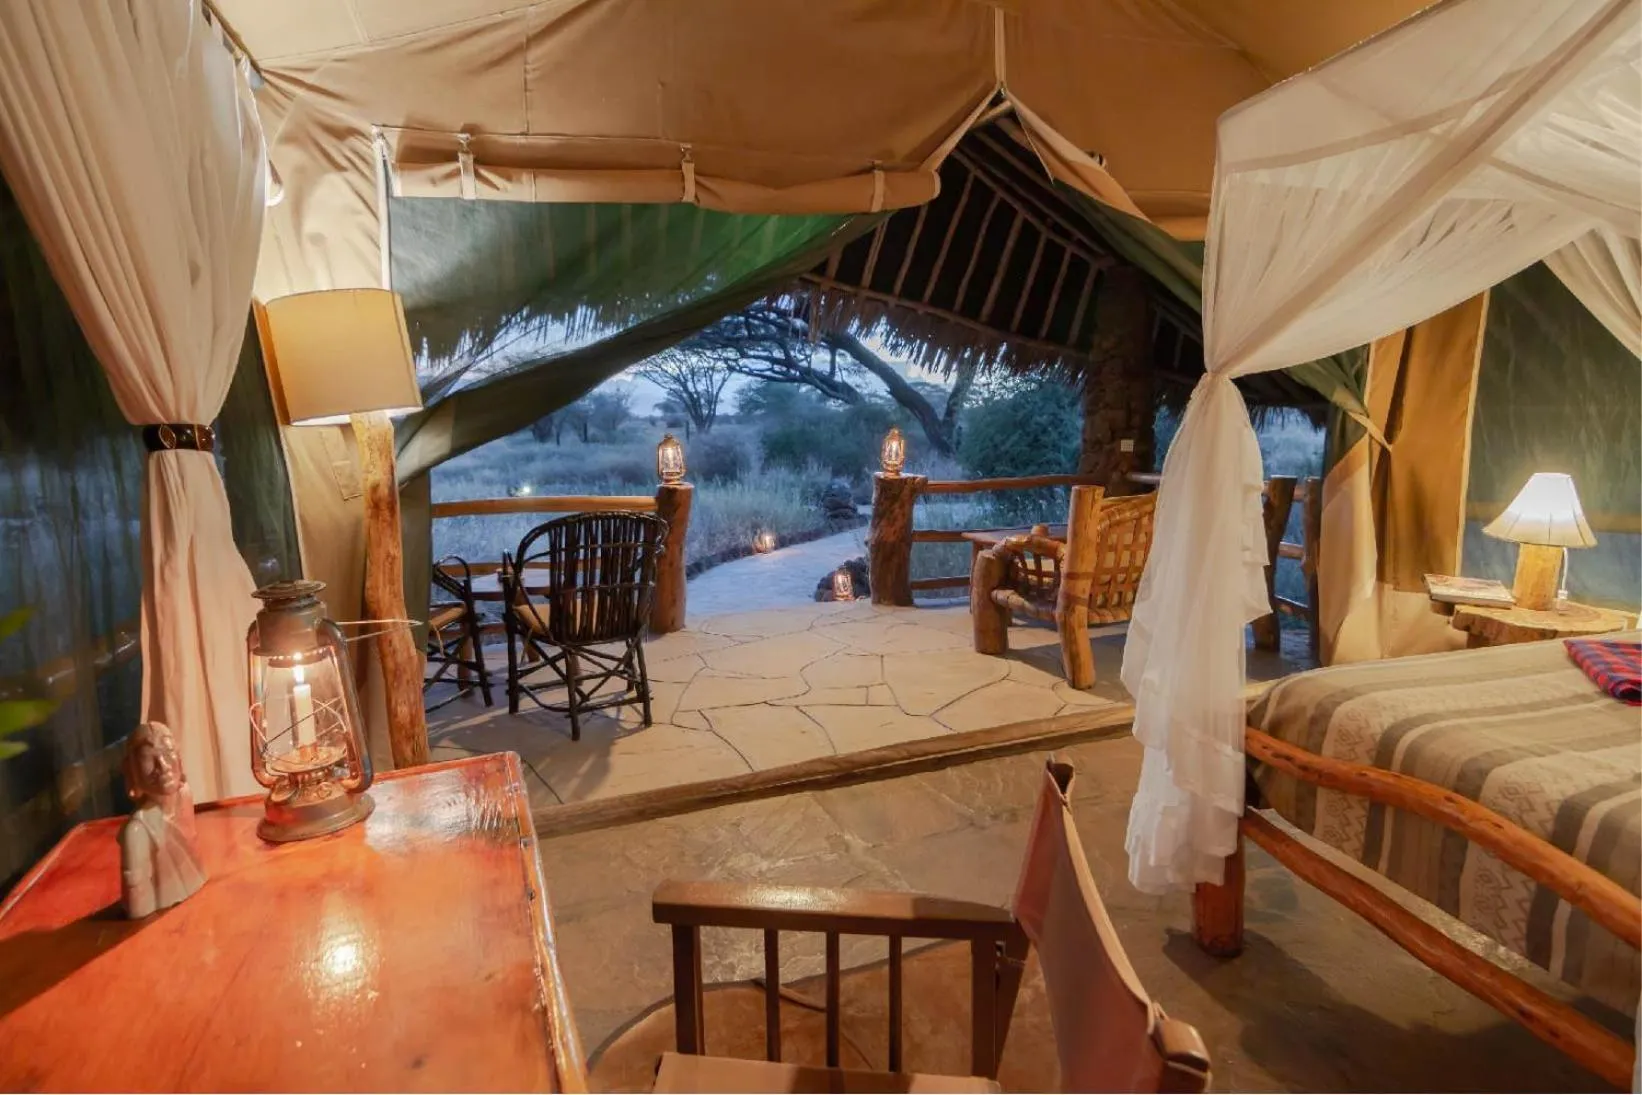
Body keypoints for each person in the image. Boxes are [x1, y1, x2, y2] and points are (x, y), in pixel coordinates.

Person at [119, 721, 206, 918]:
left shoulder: (185, 796)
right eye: (148, 758)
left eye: (168, 751)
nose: (163, 766)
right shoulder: (137, 831)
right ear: (131, 770)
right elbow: (138, 906)